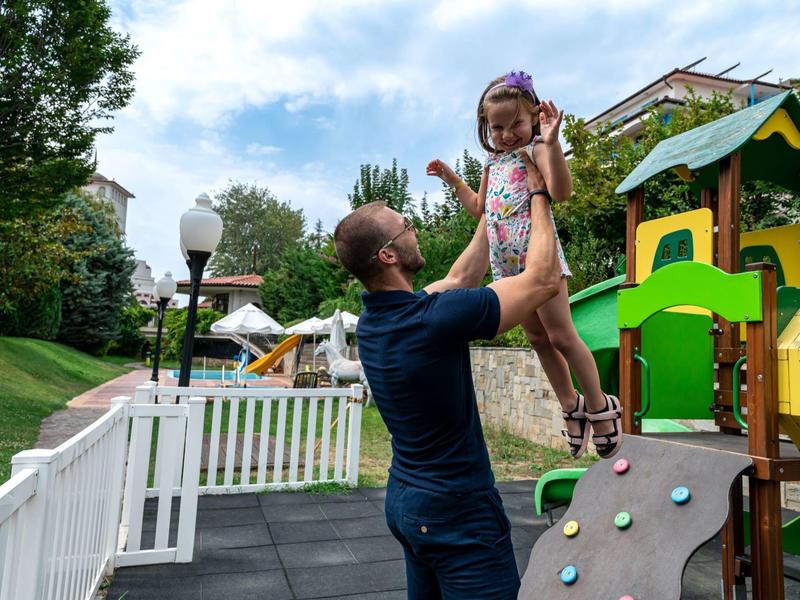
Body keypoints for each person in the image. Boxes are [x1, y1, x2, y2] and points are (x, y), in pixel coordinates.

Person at [334, 157, 560, 599]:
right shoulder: (433, 320)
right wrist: (539, 196)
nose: (414, 230)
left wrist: (492, 210)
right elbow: (544, 279)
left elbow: (462, 276)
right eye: (406, 227)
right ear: (389, 254)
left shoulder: (376, 320)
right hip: (457, 512)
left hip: (406, 501)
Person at [427, 70, 622, 459]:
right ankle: (571, 405)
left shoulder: (536, 148)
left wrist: (553, 144)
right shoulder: (492, 162)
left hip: (539, 256)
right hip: (506, 266)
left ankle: (600, 405)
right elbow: (480, 209)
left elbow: (561, 192)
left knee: (561, 336)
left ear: (534, 115)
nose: (506, 133)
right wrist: (453, 181)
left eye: (515, 122)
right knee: (536, 339)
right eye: (497, 126)